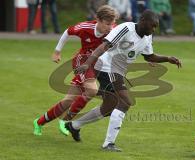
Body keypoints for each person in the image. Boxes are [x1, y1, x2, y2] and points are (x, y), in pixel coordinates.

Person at [64, 10, 182, 152]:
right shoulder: (126, 28)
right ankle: (108, 144)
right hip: (107, 66)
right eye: (152, 26)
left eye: (156, 27)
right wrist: (87, 63)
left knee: (109, 106)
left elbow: (149, 56)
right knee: (125, 102)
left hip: (117, 70)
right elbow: (104, 46)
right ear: (143, 20)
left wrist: (167, 59)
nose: (154, 29)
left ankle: (74, 126)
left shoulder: (147, 37)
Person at [33, 5, 118, 136]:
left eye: (112, 24)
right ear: (98, 19)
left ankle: (39, 122)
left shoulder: (113, 30)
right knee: (92, 90)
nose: (110, 27)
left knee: (68, 100)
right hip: (82, 62)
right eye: (107, 24)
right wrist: (57, 51)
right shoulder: (85, 27)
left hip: (97, 65)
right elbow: (67, 32)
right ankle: (66, 121)